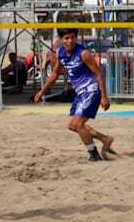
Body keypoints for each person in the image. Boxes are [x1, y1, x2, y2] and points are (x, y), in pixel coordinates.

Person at [34, 29, 115, 162]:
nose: (70, 41)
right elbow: (55, 73)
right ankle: (105, 139)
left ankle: (94, 155)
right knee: (73, 125)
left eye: (72, 37)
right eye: (66, 38)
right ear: (61, 40)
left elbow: (98, 74)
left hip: (91, 90)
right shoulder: (60, 52)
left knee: (77, 124)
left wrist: (104, 97)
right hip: (80, 93)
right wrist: (42, 91)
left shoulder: (83, 53)